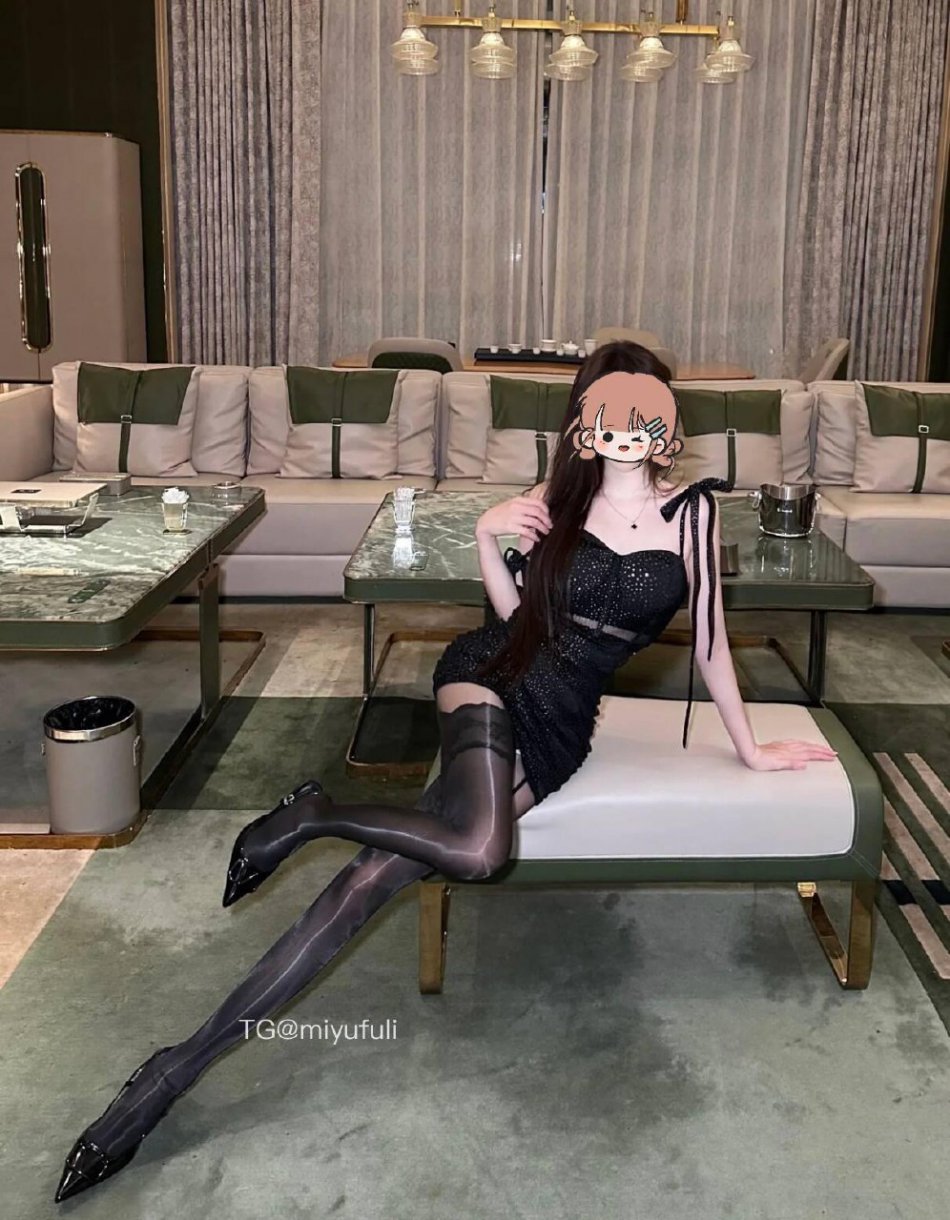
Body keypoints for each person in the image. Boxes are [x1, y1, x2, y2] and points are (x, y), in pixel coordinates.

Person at [55, 341, 837, 1201]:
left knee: (371, 879)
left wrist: (749, 746)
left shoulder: (694, 513)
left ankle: (173, 1065)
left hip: (563, 723)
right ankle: (306, 823)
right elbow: (517, 619)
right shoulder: (554, 503)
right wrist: (485, 535)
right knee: (478, 850)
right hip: (492, 674)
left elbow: (714, 642)